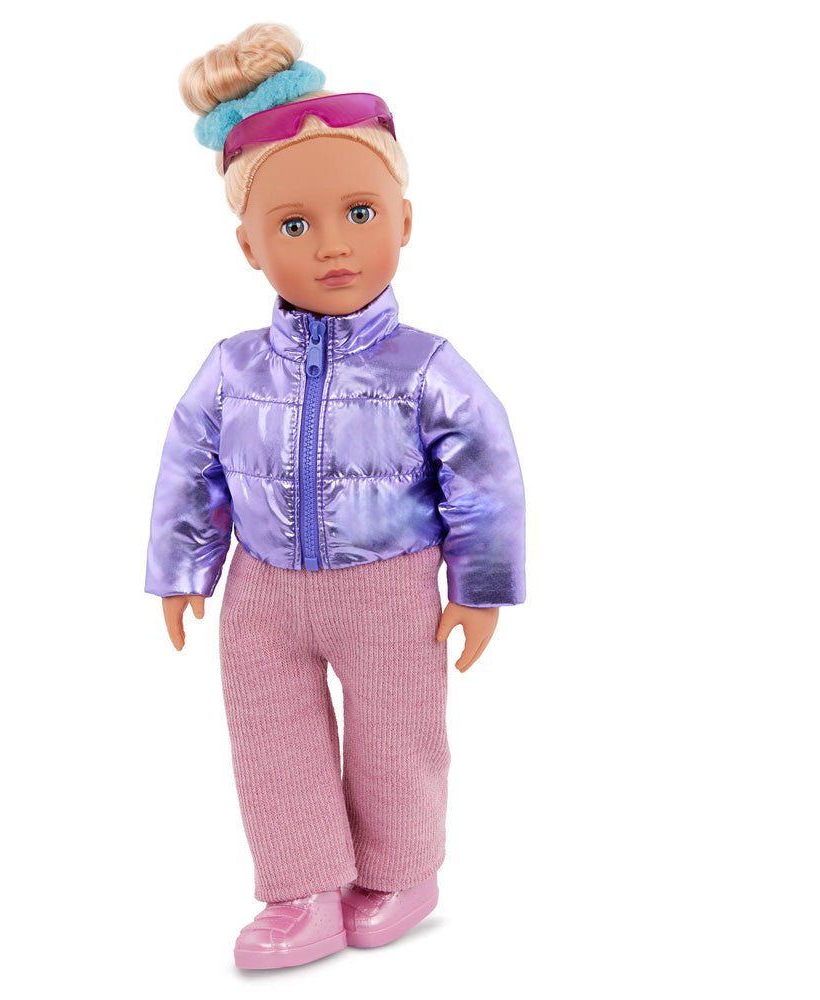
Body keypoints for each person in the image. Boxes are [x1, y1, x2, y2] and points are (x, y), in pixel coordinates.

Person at [145, 22, 527, 970]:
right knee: (271, 742)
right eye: (293, 226)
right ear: (248, 245)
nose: (331, 247)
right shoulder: (231, 369)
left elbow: (485, 471)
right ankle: (301, 890)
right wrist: (183, 572)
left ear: (406, 221)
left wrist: (478, 589)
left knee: (398, 736)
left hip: (390, 587)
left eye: (360, 213)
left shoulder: (426, 368)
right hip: (262, 593)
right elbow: (190, 467)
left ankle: (403, 872)